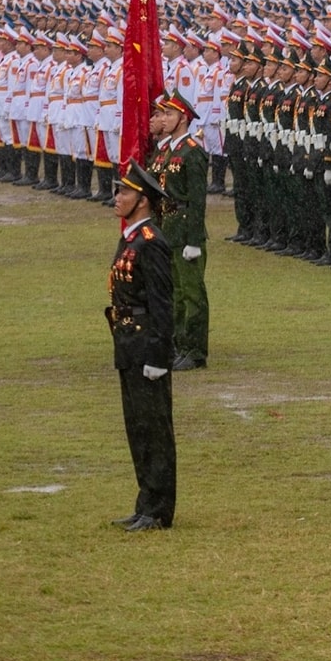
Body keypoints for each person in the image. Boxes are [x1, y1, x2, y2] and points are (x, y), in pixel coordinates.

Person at [106, 163, 177, 531]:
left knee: (154, 428)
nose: (117, 198)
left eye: (125, 193)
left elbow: (163, 305)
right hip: (128, 341)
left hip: (146, 343)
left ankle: (159, 509)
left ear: (143, 200)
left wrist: (158, 356)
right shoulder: (132, 237)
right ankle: (145, 502)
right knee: (137, 427)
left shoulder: (151, 243)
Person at [150, 92, 211, 370]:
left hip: (185, 228)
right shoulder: (166, 149)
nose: (164, 119)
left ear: (183, 118)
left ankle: (195, 350)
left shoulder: (192, 151)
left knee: (192, 293)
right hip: (168, 226)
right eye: (163, 114)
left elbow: (197, 200)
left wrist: (195, 239)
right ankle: (176, 343)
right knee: (173, 291)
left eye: (170, 114)